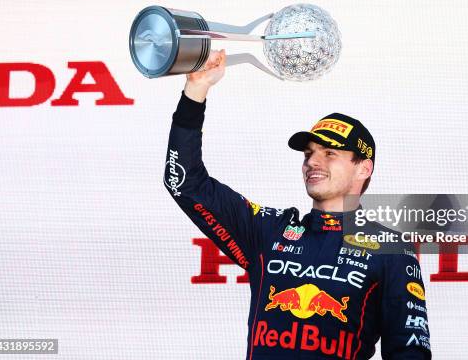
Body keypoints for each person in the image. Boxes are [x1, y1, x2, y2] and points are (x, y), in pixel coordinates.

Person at [164, 49, 431, 359]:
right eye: (308, 154)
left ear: (364, 168)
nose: (313, 162)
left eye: (329, 153)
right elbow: (185, 183)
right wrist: (196, 90)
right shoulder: (270, 230)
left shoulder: (392, 249)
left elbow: (409, 353)